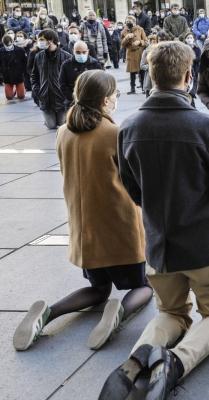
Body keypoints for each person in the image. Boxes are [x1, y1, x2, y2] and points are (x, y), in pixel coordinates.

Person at [99, 41, 209, 400]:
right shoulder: (203, 125)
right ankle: (175, 363)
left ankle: (135, 361)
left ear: (150, 76)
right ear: (188, 76)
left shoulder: (128, 128)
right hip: (206, 242)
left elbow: (132, 187)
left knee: (171, 312)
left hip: (159, 245)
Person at [14, 69, 153, 354]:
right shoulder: (115, 133)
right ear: (104, 101)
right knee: (145, 286)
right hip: (119, 228)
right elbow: (137, 179)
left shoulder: (64, 131)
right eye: (114, 94)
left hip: (84, 230)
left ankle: (48, 314)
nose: (117, 98)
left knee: (99, 289)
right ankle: (118, 315)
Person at [31, 29, 72, 129]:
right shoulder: (39, 56)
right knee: (51, 125)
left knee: (63, 125)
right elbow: (34, 75)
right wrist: (38, 91)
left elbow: (72, 78)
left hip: (62, 98)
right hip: (45, 97)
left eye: (41, 39)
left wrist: (68, 94)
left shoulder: (66, 56)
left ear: (51, 40)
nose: (39, 42)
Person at [121, 15, 147, 95]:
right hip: (131, 54)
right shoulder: (124, 31)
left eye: (130, 21)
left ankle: (143, 87)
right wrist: (126, 38)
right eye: (127, 22)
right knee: (132, 72)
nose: (128, 23)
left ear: (134, 22)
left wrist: (139, 42)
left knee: (142, 71)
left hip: (140, 53)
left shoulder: (140, 29)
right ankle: (132, 88)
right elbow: (122, 44)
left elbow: (146, 41)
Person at [0, 35, 27, 100]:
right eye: (6, 45)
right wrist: (2, 70)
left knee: (21, 96)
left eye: (9, 45)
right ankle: (14, 89)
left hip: (18, 73)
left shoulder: (20, 50)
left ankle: (21, 89)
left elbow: (25, 62)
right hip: (7, 74)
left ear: (12, 42)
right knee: (9, 97)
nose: (8, 47)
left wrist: (21, 70)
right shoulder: (1, 51)